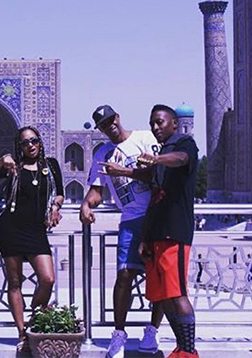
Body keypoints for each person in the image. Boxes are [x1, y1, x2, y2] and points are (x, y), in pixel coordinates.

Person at [80, 104, 163, 358]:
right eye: (104, 125)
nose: (110, 126)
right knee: (124, 275)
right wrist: (86, 205)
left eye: (111, 120)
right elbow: (96, 191)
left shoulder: (145, 139)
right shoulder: (102, 153)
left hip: (157, 216)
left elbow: (160, 174)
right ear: (100, 129)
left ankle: (152, 331)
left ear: (118, 117)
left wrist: (124, 171)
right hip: (131, 220)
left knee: (158, 277)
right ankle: (118, 335)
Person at [0, 126, 64, 353]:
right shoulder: (14, 167)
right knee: (15, 282)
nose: (30, 145)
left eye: (34, 140)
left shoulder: (51, 166)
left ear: (40, 142)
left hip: (36, 230)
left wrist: (55, 207)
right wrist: (3, 159)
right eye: (25, 142)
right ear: (19, 147)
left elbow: (60, 192)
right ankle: (22, 333)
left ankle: (34, 317)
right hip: (10, 229)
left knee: (47, 278)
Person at [138, 104, 199, 358]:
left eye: (160, 122)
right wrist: (145, 238)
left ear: (175, 123)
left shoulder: (185, 143)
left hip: (175, 232)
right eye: (152, 123)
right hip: (156, 234)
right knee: (162, 295)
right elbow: (155, 197)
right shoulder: (163, 152)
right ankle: (181, 347)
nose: (155, 127)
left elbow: (182, 159)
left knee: (177, 293)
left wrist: (156, 159)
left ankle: (188, 353)